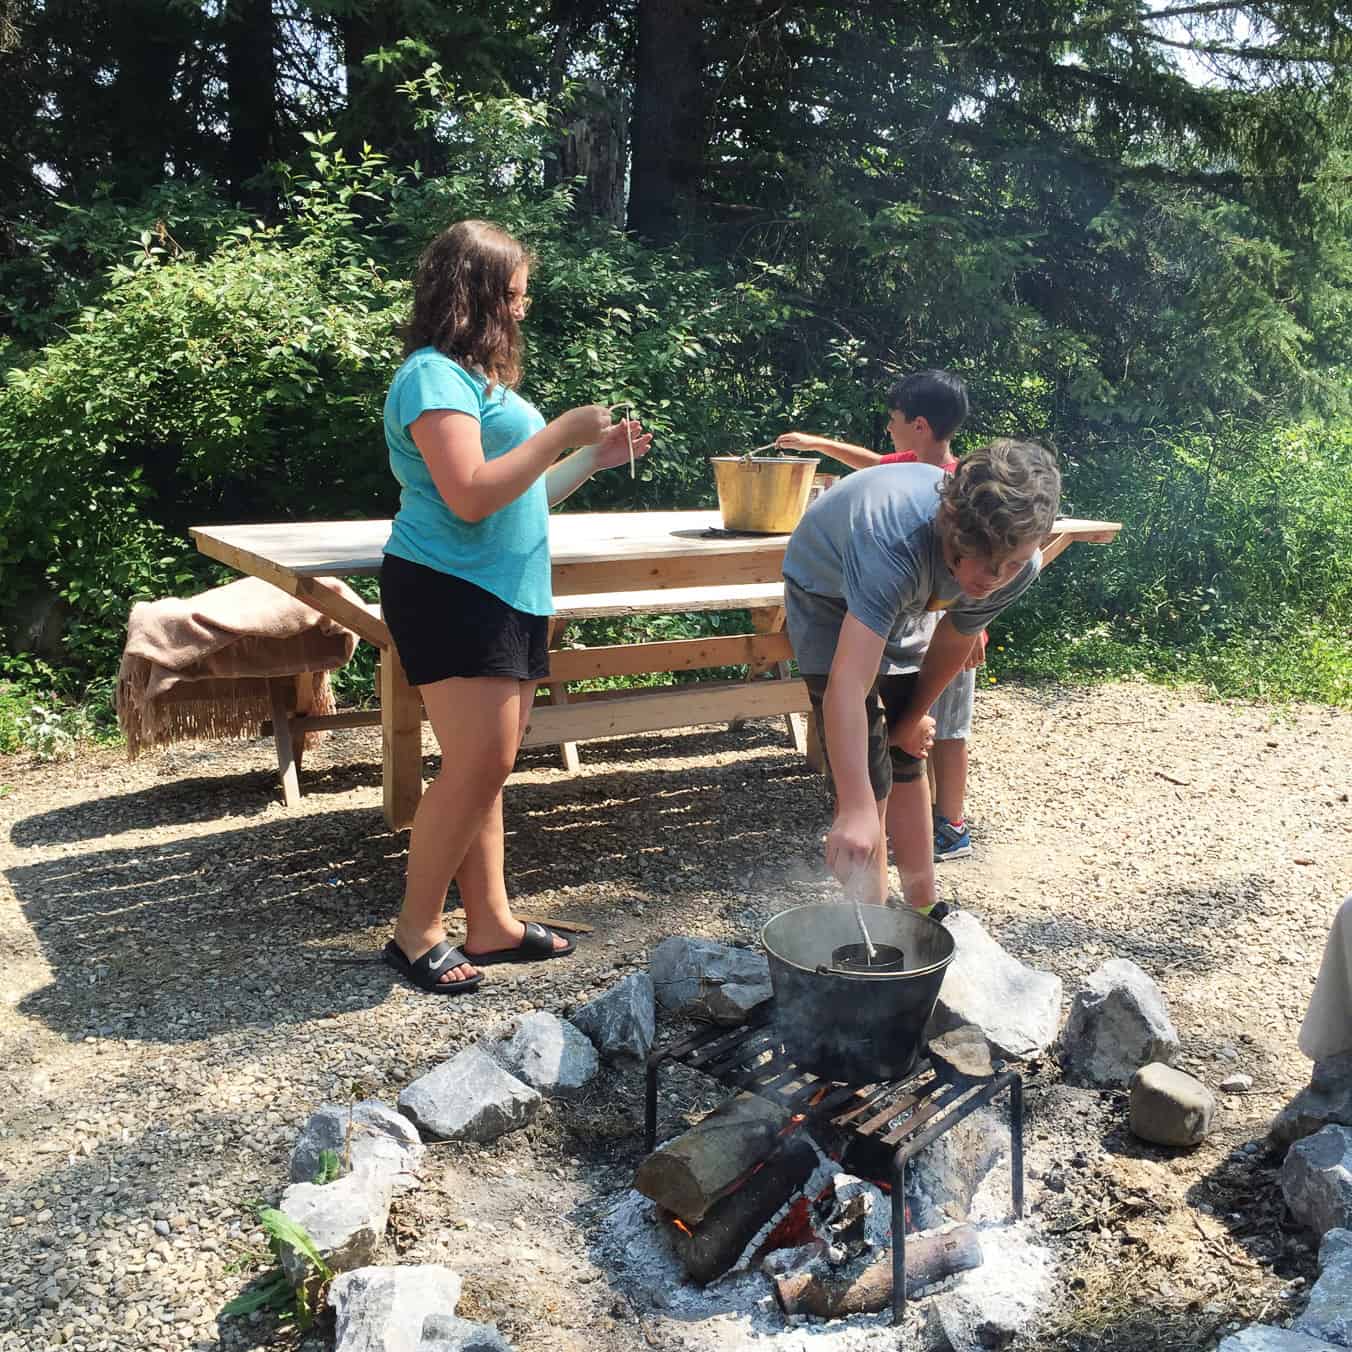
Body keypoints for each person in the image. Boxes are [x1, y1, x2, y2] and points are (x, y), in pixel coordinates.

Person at [379, 219, 652, 994]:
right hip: (450, 585)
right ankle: (415, 933)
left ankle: (491, 923)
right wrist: (561, 429)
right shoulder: (433, 377)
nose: (523, 310)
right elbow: (467, 498)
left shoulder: (480, 384)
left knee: (482, 770)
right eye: (515, 295)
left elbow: (517, 495)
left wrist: (588, 459)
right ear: (477, 296)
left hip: (504, 589)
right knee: (478, 763)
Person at [781, 439, 1060, 914]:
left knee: (906, 748)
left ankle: (923, 909)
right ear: (952, 524)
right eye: (985, 559)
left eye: (1010, 563)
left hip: (913, 595)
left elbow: (955, 638)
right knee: (867, 774)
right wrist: (855, 809)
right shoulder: (894, 544)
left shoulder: (1018, 563)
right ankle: (869, 928)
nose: (994, 576)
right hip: (826, 590)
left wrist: (910, 718)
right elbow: (848, 686)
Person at [776, 370, 984, 865]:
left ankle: (947, 829)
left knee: (938, 733)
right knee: (889, 753)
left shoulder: (967, 499)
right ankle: (884, 882)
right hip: (890, 611)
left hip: (931, 625)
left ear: (918, 424)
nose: (888, 429)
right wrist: (857, 806)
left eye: (892, 421)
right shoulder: (901, 485)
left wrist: (975, 619)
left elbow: (979, 579)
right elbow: (849, 681)